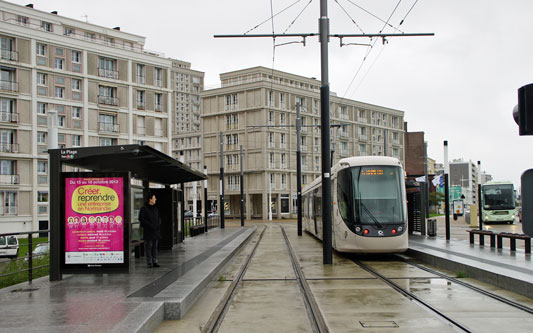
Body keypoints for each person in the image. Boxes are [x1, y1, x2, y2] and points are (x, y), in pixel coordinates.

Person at [138, 192, 161, 268]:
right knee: (149, 246)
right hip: (148, 231)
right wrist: (150, 225)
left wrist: (158, 224)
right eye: (154, 198)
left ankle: (155, 261)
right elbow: (141, 219)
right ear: (150, 199)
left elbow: (158, 218)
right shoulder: (144, 209)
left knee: (155, 246)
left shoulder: (156, 208)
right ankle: (149, 262)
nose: (155, 199)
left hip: (156, 231)